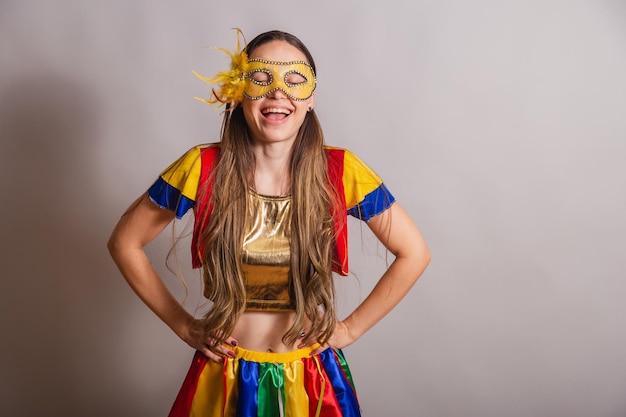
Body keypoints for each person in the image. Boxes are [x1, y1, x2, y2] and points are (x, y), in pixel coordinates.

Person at [108, 29, 430, 417]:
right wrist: (183, 325)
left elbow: (415, 253)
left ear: (310, 99)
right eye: (261, 80)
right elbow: (124, 241)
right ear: (240, 93)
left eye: (295, 81)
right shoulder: (202, 168)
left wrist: (351, 329)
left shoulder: (341, 171)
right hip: (224, 377)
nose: (279, 93)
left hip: (310, 381)